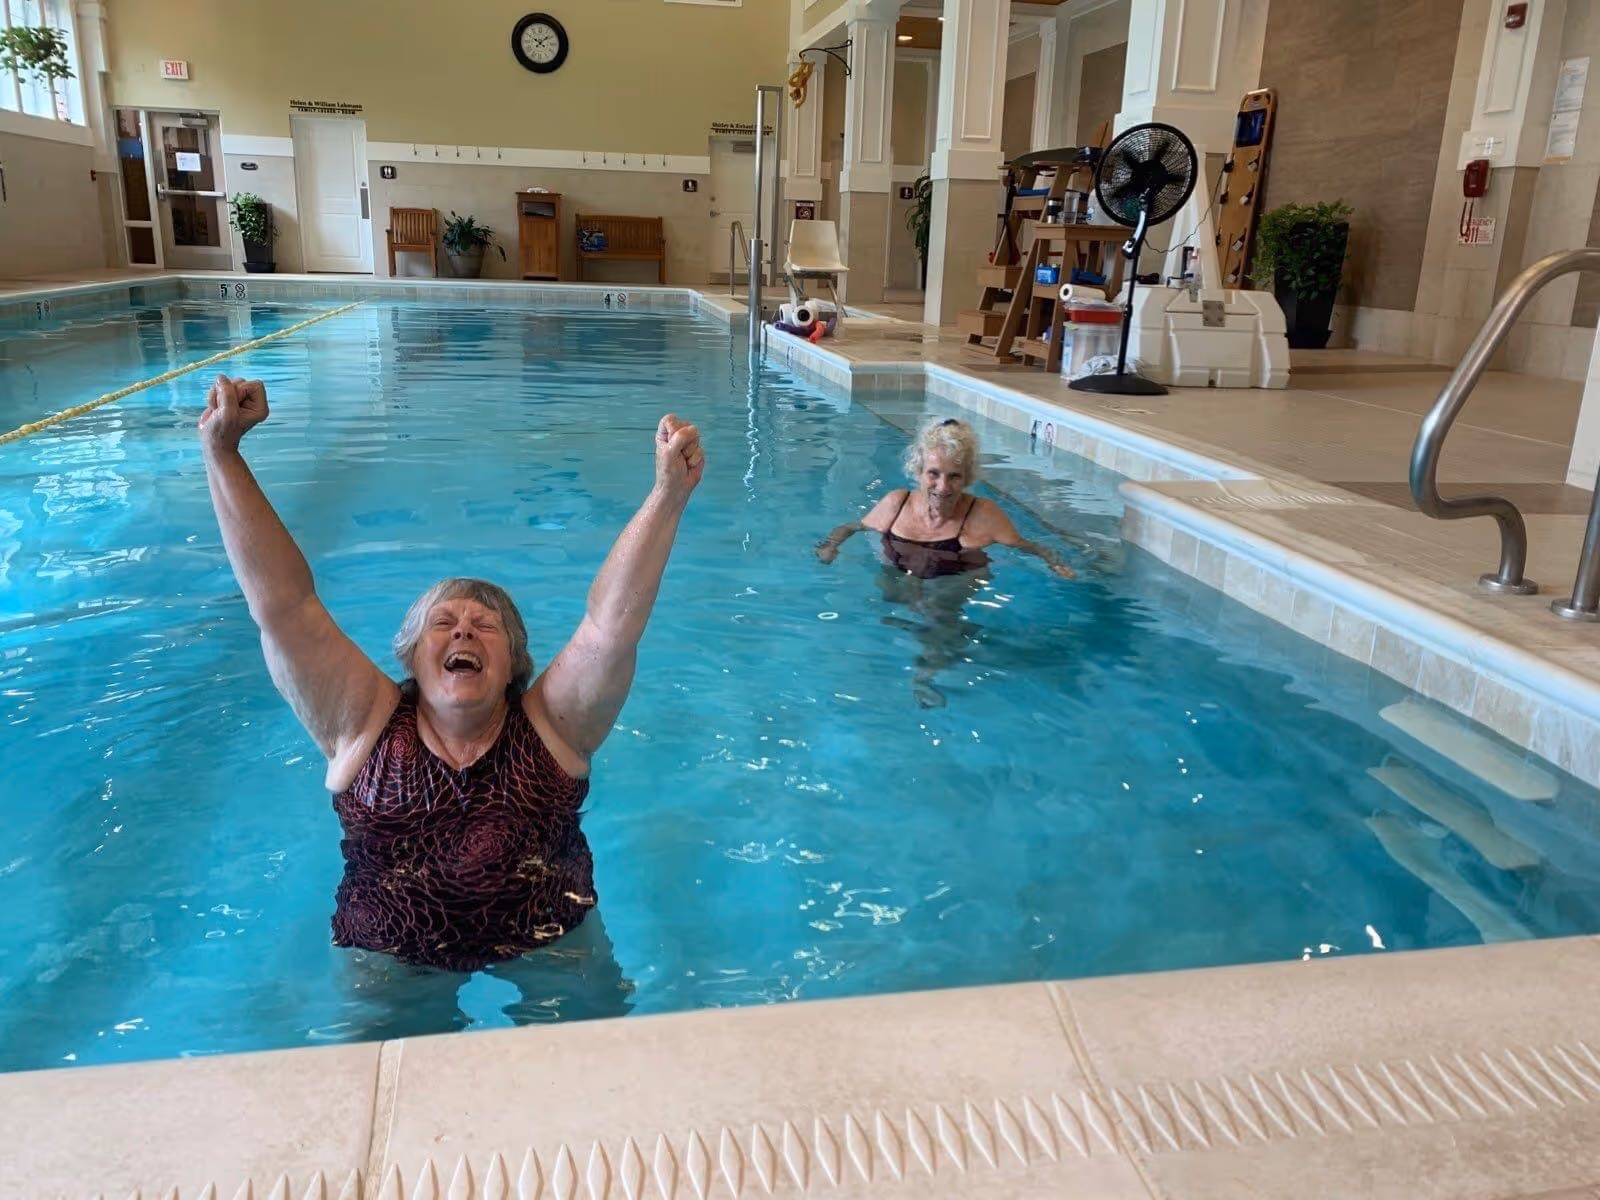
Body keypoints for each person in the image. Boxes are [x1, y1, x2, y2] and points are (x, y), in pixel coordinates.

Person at [198, 374, 704, 980]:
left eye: (485, 625)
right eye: (444, 622)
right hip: (389, 955)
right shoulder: (363, 723)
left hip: (552, 945)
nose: (464, 631)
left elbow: (609, 628)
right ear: (410, 656)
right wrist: (222, 454)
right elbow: (283, 606)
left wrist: (667, 495)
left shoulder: (552, 728)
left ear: (516, 663)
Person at [815, 417, 1075, 580]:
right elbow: (852, 527)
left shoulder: (983, 513)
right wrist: (830, 546)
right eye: (933, 474)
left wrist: (1056, 564)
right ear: (918, 471)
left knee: (939, 623)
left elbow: (1028, 547)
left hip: (956, 582)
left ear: (968, 477)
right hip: (898, 574)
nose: (943, 486)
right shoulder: (897, 504)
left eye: (955, 476)